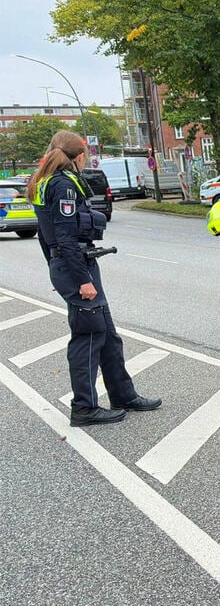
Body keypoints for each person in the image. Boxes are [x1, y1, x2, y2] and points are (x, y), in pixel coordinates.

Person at [26, 131, 162, 427]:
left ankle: (123, 395)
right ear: (79, 156)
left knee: (108, 335)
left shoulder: (45, 182)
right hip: (77, 267)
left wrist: (56, 268)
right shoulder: (63, 185)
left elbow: (44, 234)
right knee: (88, 336)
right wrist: (78, 278)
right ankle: (84, 408)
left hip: (73, 266)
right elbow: (64, 237)